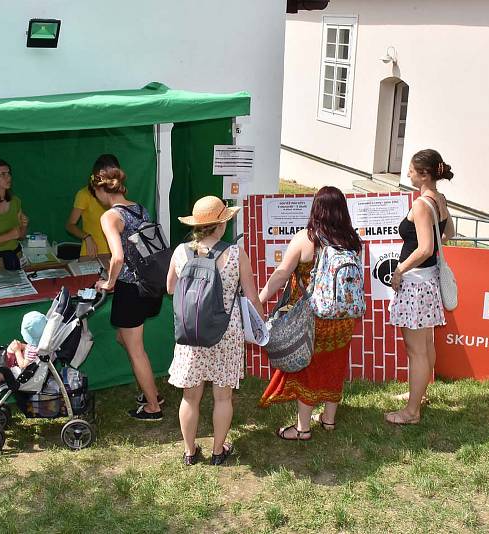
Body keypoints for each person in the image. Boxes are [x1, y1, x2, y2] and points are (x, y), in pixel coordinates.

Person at [258, 186, 362, 441]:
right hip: (343, 317)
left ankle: (302, 429)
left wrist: (260, 299)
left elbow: (282, 273)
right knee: (334, 364)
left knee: (309, 369)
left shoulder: (306, 238)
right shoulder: (352, 240)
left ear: (316, 208)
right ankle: (328, 419)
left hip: (312, 318)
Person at [166, 196, 264, 466]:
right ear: (221, 225)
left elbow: (170, 288)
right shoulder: (235, 253)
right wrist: (261, 323)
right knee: (223, 396)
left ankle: (189, 451)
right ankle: (218, 451)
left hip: (192, 330)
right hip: (226, 330)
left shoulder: (180, 252)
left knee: (190, 396)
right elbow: (252, 296)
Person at [386, 149, 455, 425]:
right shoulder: (438, 200)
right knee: (426, 344)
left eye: (412, 170)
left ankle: (412, 412)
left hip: (415, 283)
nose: (408, 174)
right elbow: (449, 235)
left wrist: (399, 270)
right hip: (428, 282)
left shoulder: (420, 205)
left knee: (416, 350)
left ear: (424, 174)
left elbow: (425, 248)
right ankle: (419, 395)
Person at [91, 165, 164, 421]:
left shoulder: (110, 216)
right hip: (149, 286)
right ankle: (151, 390)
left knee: (136, 350)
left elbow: (118, 257)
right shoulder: (139, 208)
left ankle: (153, 406)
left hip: (131, 289)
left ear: (101, 190)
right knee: (124, 339)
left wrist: (108, 282)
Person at [64, 154, 115, 258]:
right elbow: (70, 225)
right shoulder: (84, 194)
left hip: (115, 252)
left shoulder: (117, 193)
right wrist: (86, 237)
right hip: (92, 254)